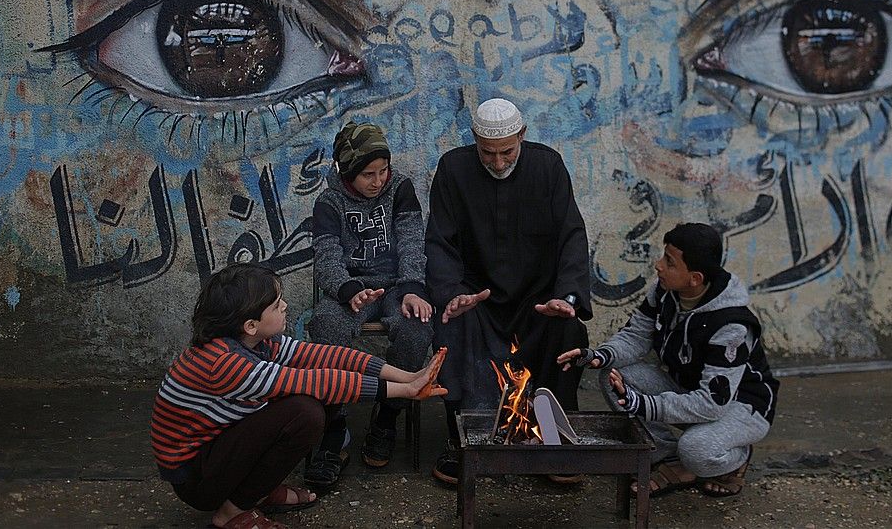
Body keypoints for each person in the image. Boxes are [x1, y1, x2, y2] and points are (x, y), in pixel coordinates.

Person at [151, 263, 445, 529]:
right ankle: (231, 512)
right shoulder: (224, 361)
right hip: (197, 478)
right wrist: (406, 391)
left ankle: (259, 491)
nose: (285, 306)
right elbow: (316, 381)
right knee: (305, 412)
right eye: (277, 305)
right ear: (250, 325)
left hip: (220, 452)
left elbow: (324, 357)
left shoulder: (258, 341)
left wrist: (409, 376)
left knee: (314, 402)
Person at [425, 97, 592, 485]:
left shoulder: (548, 166)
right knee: (453, 327)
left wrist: (566, 298)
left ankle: (558, 440)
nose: (498, 163)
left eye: (507, 152)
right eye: (488, 154)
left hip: (537, 299)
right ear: (475, 142)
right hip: (477, 299)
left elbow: (571, 236)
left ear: (522, 136)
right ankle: (465, 440)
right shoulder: (453, 168)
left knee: (567, 330)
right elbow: (440, 241)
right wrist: (453, 293)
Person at [557, 223, 778, 498]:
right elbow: (636, 337)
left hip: (740, 406)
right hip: (690, 389)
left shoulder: (730, 326)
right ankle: (666, 457)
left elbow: (711, 405)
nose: (658, 266)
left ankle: (735, 457)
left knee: (696, 449)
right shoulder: (666, 292)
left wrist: (644, 405)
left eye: (669, 262)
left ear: (695, 278)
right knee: (615, 375)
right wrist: (599, 355)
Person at [306, 121, 433, 485]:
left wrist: (412, 288)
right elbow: (326, 256)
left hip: (396, 286)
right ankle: (337, 426)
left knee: (415, 328)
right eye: (367, 174)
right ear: (347, 172)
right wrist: (347, 290)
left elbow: (411, 242)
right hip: (351, 289)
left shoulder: (401, 189)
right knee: (327, 326)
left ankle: (388, 415)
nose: (378, 181)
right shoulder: (329, 202)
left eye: (383, 171)